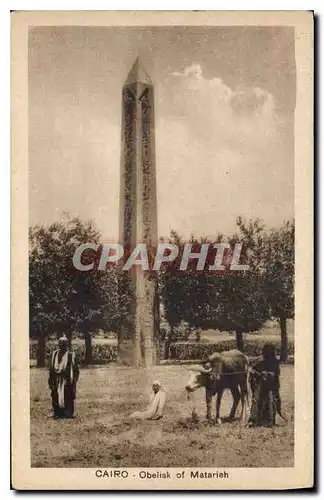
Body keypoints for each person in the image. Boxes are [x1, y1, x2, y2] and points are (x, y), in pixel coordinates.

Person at [248, 343, 282, 427]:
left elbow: (276, 374)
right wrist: (254, 373)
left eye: (269, 351)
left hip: (271, 386)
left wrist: (266, 374)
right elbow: (253, 370)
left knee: (271, 402)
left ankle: (270, 421)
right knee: (256, 400)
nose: (266, 353)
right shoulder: (260, 361)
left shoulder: (274, 362)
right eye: (265, 351)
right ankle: (254, 419)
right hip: (261, 385)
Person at [48, 335, 80, 419]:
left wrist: (73, 381)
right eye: (61, 345)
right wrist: (51, 379)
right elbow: (51, 368)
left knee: (67, 395)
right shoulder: (54, 354)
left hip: (67, 379)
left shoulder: (70, 355)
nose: (62, 347)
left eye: (64, 345)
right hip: (56, 378)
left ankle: (68, 413)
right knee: (55, 394)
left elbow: (76, 370)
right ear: (58, 345)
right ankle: (56, 412)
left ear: (67, 345)